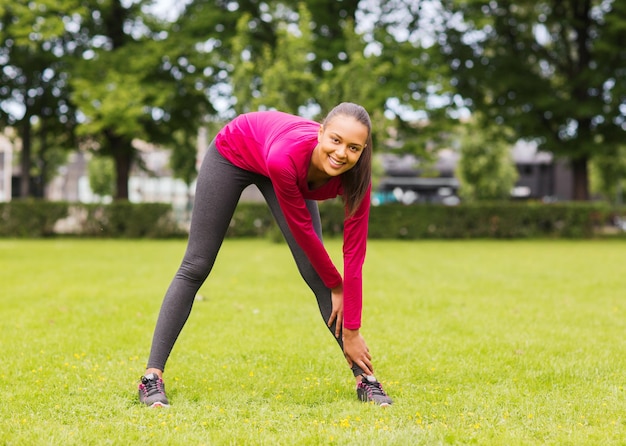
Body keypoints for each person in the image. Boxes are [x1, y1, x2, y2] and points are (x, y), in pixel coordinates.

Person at [138, 102, 393, 407]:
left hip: (277, 157)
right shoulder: (285, 158)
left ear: (363, 150)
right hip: (235, 152)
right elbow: (304, 232)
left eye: (353, 148)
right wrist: (337, 285)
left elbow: (354, 252)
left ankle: (366, 380)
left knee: (316, 275)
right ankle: (151, 378)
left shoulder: (358, 180)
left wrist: (352, 326)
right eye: (335, 140)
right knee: (196, 265)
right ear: (321, 133)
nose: (341, 153)